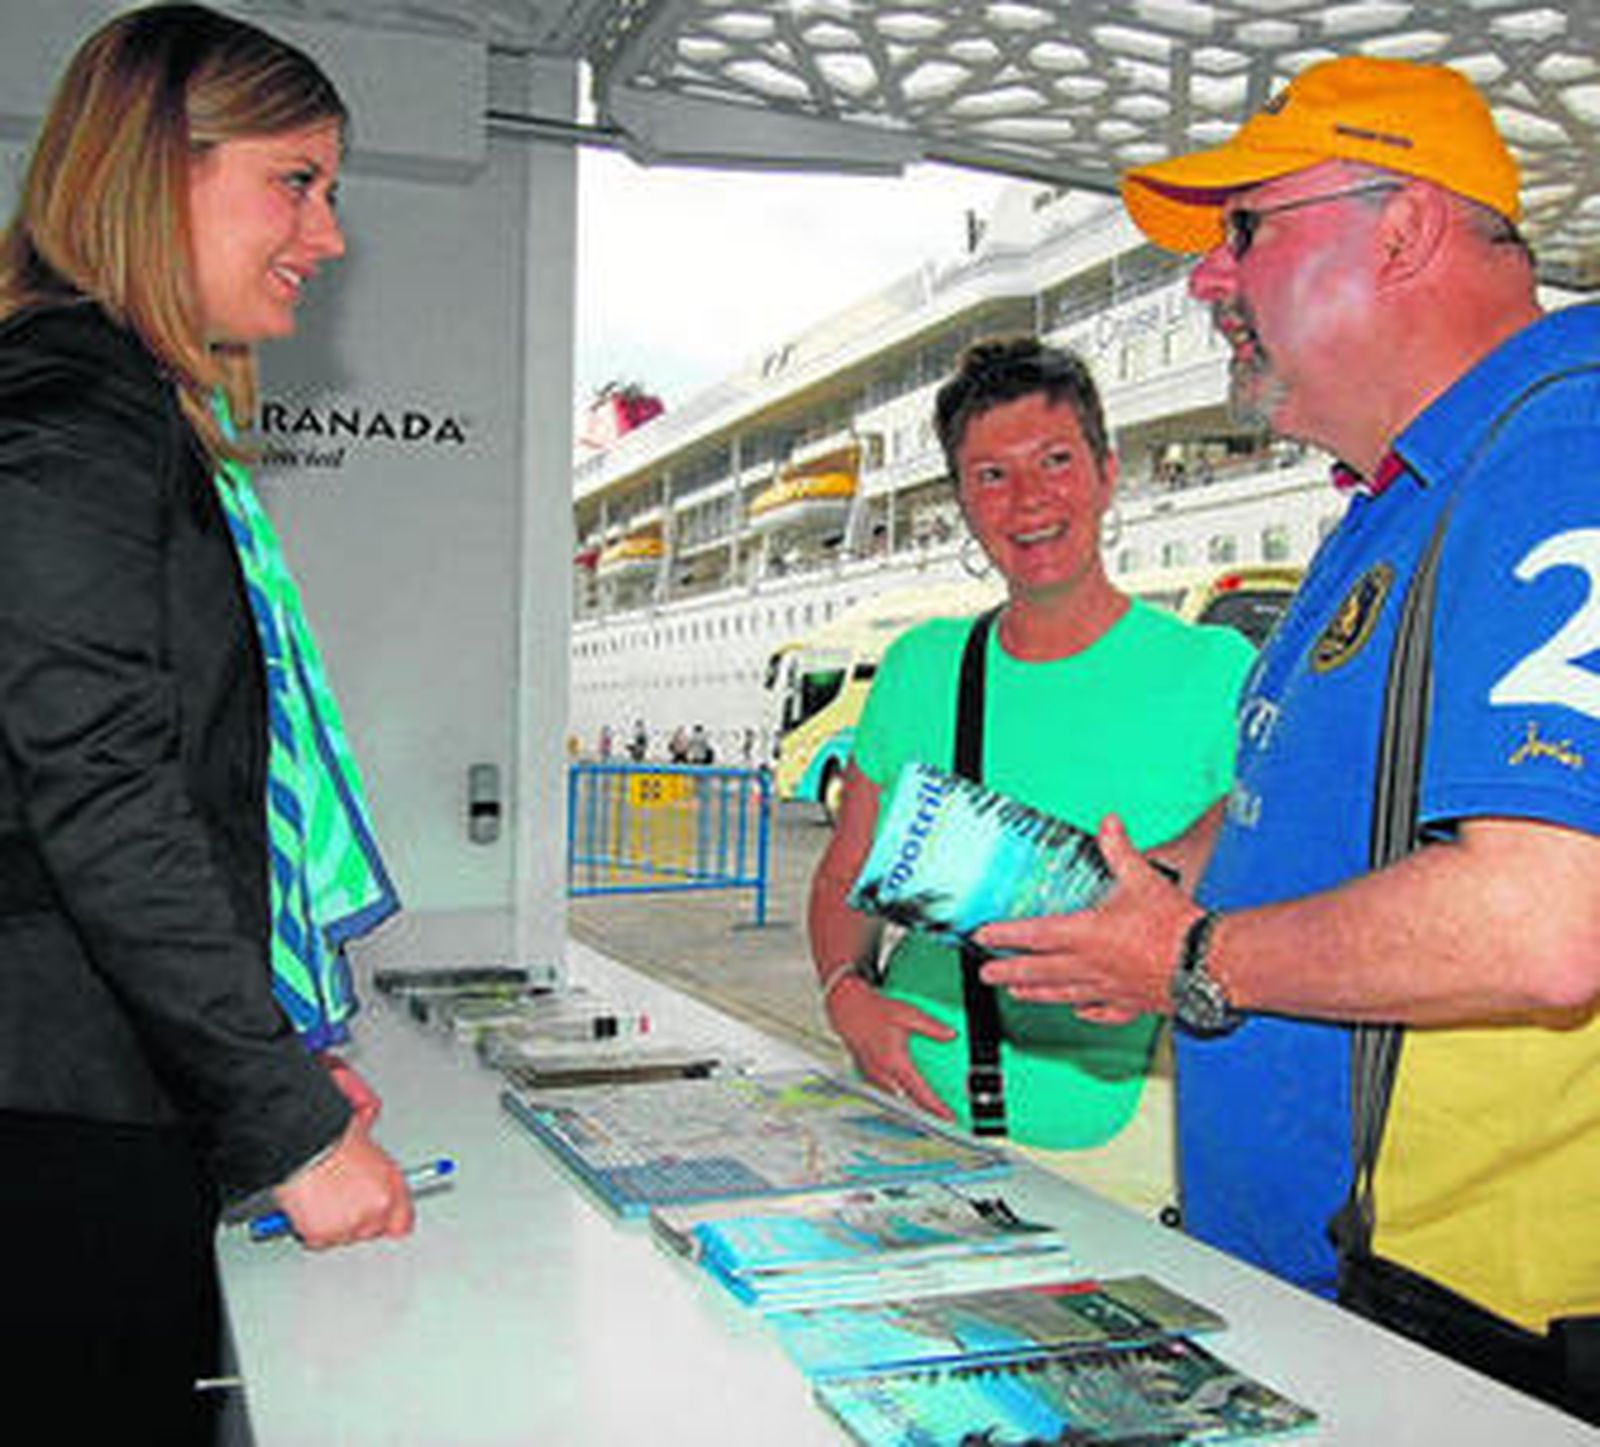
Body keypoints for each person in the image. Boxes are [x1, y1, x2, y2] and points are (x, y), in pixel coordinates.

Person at [977, 56, 1600, 1422]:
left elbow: (1546, 920)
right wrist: (1130, 897)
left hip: (1460, 1336)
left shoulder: (1567, 444)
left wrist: (1191, 956)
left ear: (1407, 226)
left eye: (1245, 229)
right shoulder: (1401, 493)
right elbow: (1290, 809)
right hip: (1306, 1295)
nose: (1209, 278)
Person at [0, 5, 413, 1435]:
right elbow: (104, 794)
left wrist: (271, 1060)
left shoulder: (113, 407)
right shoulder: (66, 413)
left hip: (96, 1092)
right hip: (56, 1115)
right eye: (295, 181)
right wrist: (284, 1118)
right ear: (152, 171)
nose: (327, 232)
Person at [808, 339, 1254, 1214]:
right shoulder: (922, 667)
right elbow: (842, 876)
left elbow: (1255, 884)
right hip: (914, 1116)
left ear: (1106, 472)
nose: (1029, 500)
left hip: (1132, 1134)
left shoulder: (1216, 669)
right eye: (991, 476)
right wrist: (845, 998)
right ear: (964, 504)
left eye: (1055, 461)